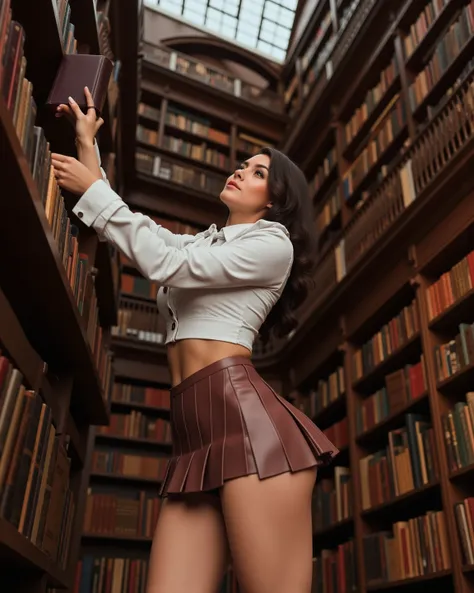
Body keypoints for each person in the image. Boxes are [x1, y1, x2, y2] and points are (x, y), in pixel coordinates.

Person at [52, 88, 338, 593]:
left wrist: (94, 190)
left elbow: (167, 265)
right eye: (242, 163)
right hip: (192, 437)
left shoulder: (273, 244)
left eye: (256, 172)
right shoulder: (207, 241)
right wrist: (89, 153)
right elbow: (150, 236)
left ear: (274, 199)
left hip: (249, 429)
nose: (239, 171)